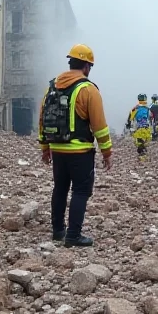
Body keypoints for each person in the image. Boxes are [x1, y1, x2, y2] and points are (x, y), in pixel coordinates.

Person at [39, 44, 112, 247]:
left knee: (60, 189)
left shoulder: (51, 87)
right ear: (87, 66)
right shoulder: (88, 89)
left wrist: (45, 148)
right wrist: (107, 152)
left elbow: (42, 119)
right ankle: (73, 235)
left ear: (70, 62)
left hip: (57, 149)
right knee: (80, 191)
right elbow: (99, 126)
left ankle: (57, 231)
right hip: (80, 152)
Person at [125, 94, 152, 160]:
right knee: (145, 142)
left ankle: (142, 156)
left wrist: (128, 125)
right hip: (147, 128)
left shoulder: (135, 109)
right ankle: (144, 155)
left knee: (139, 142)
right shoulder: (148, 108)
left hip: (138, 128)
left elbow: (130, 118)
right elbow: (151, 118)